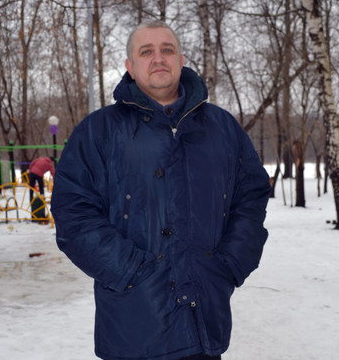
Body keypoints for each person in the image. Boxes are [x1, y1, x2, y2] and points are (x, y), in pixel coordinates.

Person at [51, 20, 270, 360]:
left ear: (181, 60)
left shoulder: (222, 128)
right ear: (130, 66)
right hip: (131, 329)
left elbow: (251, 197)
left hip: (204, 324)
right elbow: (73, 214)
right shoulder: (98, 132)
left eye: (167, 50)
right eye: (146, 51)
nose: (158, 58)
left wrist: (229, 265)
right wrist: (129, 269)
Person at [28, 156, 55, 222]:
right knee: (41, 186)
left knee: (31, 186)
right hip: (39, 174)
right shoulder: (50, 164)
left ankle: (31, 197)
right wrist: (55, 178)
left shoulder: (40, 158)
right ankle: (42, 195)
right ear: (51, 160)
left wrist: (31, 169)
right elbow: (52, 172)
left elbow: (32, 163)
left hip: (32, 172)